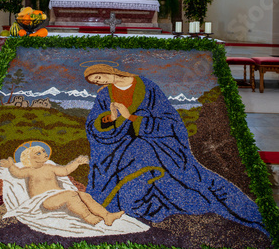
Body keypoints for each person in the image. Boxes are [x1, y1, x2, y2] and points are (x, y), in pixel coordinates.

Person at [84, 64, 268, 235]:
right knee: (125, 161)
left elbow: (170, 122)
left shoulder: (147, 87)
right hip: (118, 146)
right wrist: (110, 119)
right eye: (96, 81)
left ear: (109, 70)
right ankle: (131, 207)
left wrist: (132, 117)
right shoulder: (104, 95)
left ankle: (153, 204)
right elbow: (93, 126)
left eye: (99, 77)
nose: (100, 82)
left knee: (150, 159)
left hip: (157, 144)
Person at [0, 145, 124, 226]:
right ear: (30, 159)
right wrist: (11, 165)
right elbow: (18, 173)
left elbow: (65, 171)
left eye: (43, 151)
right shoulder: (30, 170)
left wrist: (76, 162)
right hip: (44, 200)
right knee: (70, 195)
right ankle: (89, 217)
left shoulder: (49, 167)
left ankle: (107, 215)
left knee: (83, 195)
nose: (43, 153)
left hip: (58, 195)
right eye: (38, 153)